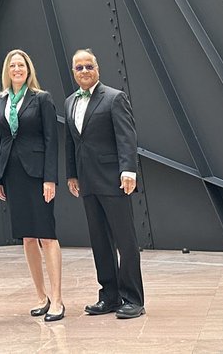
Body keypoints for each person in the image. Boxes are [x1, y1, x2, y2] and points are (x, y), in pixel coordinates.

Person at [64, 49, 144, 319]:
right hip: (87, 182)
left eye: (89, 66)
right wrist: (72, 174)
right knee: (100, 241)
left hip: (114, 181)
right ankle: (109, 296)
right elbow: (72, 142)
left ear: (97, 68)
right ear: (73, 72)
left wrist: (129, 170)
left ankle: (133, 298)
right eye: (79, 68)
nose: (84, 71)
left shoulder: (114, 98)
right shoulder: (69, 102)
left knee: (125, 241)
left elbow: (126, 137)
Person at [0, 49, 64, 320]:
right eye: (13, 66)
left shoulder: (41, 99)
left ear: (28, 69)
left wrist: (50, 178)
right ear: (7, 71)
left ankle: (57, 300)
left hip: (37, 175)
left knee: (47, 234)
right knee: (28, 237)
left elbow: (51, 141)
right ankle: (41, 297)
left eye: (21, 65)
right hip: (12, 175)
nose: (17, 69)